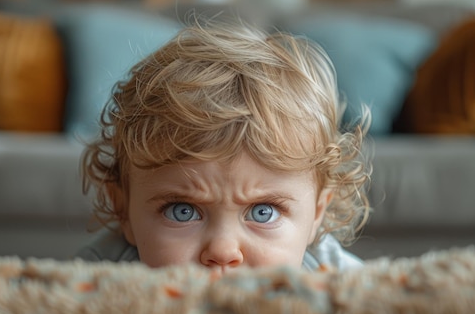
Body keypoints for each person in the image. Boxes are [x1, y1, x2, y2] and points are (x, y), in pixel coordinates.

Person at [76, 18, 371, 273]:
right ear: (123, 211)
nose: (223, 251)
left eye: (263, 212)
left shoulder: (337, 281)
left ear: (316, 214)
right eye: (182, 211)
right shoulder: (97, 282)